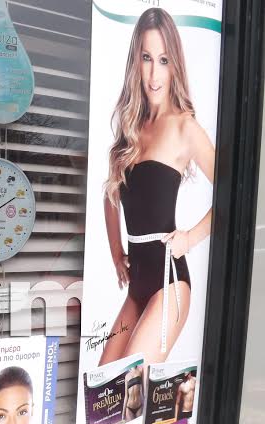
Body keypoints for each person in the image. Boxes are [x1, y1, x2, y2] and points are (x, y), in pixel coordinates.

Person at [98, 8, 215, 367]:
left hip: (170, 280)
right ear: (136, 61)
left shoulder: (184, 127)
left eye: (163, 60)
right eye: (146, 58)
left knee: (128, 383)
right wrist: (116, 252)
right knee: (103, 387)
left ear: (174, 64)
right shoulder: (130, 129)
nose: (153, 74)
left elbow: (233, 195)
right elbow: (110, 194)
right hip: (138, 285)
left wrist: (190, 238)